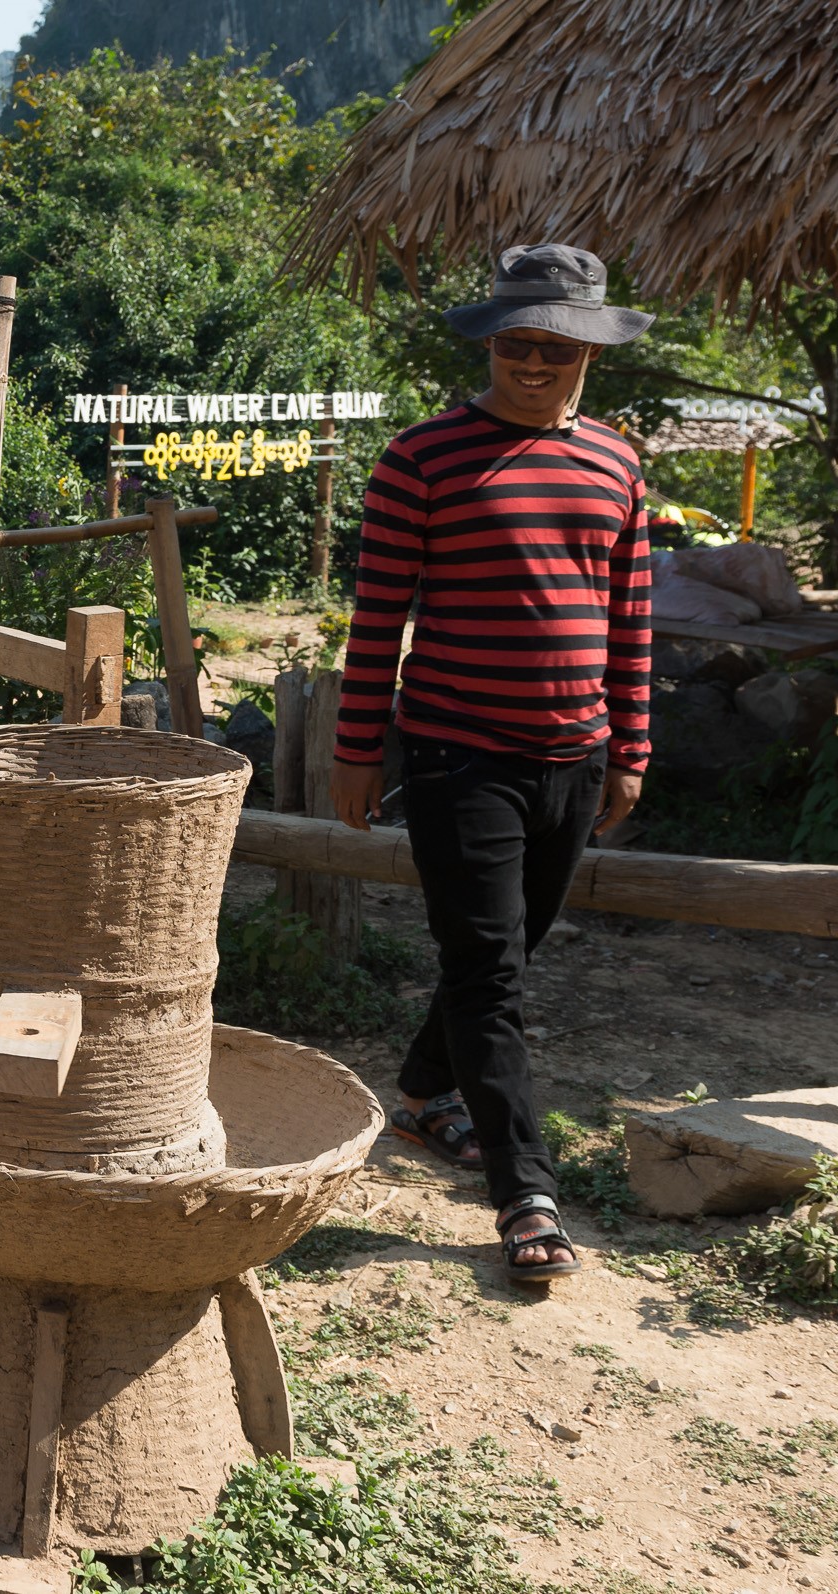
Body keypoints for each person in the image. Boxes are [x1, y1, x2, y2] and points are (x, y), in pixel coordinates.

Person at [328, 244, 654, 1280]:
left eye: (557, 343)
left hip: (575, 754)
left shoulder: (618, 466)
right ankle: (526, 1192)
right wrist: (356, 750)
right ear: (490, 342)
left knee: (506, 954)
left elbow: (632, 621)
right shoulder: (420, 461)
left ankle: (423, 1092)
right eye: (518, 340)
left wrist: (631, 750)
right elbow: (377, 618)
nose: (536, 359)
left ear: (591, 348)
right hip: (458, 753)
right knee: (489, 968)